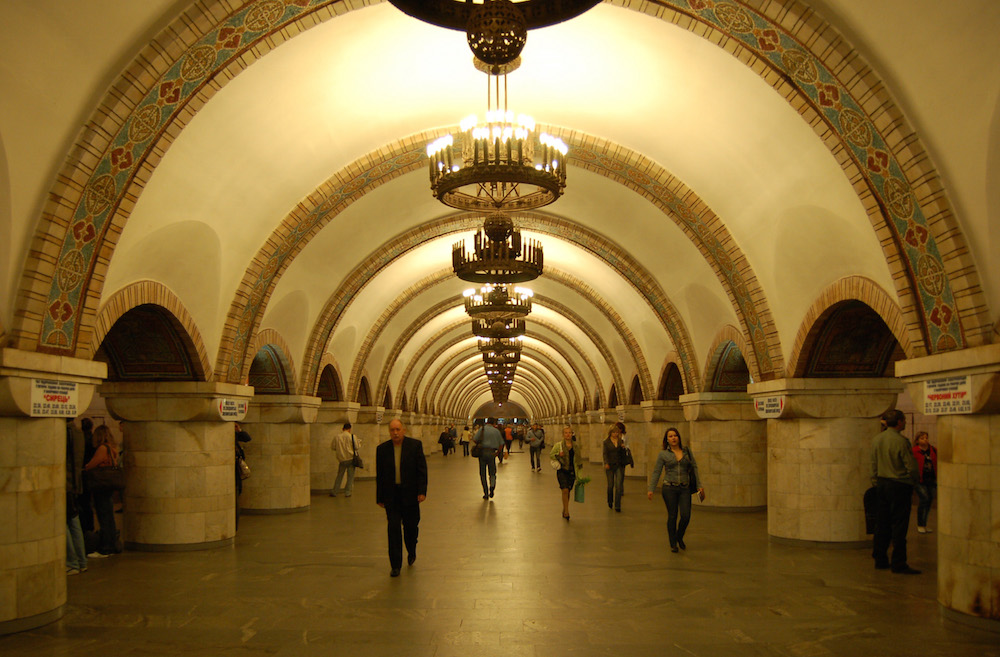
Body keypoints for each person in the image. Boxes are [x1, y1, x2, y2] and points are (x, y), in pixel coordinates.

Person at [870, 409, 920, 574]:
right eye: (904, 420)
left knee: (882, 523)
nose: (905, 422)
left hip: (882, 485)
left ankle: (880, 558)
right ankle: (898, 562)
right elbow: (911, 466)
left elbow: (873, 464)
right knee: (899, 525)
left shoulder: (877, 440)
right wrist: (914, 481)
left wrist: (876, 482)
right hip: (899, 486)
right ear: (899, 422)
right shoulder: (901, 441)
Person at [376, 419, 427, 577]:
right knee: (393, 529)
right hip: (392, 496)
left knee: (411, 528)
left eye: (398, 429)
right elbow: (381, 475)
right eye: (392, 430)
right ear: (389, 431)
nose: (395, 433)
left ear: (404, 430)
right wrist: (380, 497)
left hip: (410, 495)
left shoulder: (415, 446)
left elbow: (422, 471)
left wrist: (422, 491)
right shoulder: (382, 449)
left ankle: (411, 549)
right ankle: (395, 565)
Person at [647, 427, 705, 553]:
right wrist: (651, 488)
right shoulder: (663, 454)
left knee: (685, 516)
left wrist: (699, 485)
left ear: (679, 438)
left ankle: (679, 536)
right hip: (669, 488)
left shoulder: (686, 451)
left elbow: (694, 468)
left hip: (685, 488)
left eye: (675, 435)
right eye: (670, 436)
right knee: (672, 516)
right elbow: (657, 471)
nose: (673, 438)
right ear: (667, 440)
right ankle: (673, 542)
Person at [84, 425, 120, 557]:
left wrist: (86, 467)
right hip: (109, 485)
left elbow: (92, 464)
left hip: (101, 485)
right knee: (109, 516)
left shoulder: (102, 448)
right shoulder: (112, 448)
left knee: (103, 516)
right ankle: (112, 544)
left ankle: (106, 548)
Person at [66, 419, 88, 574]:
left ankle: (72, 562)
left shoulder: (65, 432)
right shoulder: (78, 433)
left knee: (64, 523)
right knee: (74, 522)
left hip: (65, 484)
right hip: (75, 483)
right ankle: (81, 561)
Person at [550, 426, 583, 520]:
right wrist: (558, 455)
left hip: (572, 471)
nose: (568, 434)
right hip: (562, 470)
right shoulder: (558, 445)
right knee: (564, 490)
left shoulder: (576, 446)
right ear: (563, 434)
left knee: (568, 491)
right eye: (566, 433)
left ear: (572, 434)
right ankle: (567, 511)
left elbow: (579, 460)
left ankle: (565, 507)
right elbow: (551, 455)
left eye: (570, 432)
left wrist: (580, 474)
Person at [912, 431, 937, 534]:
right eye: (922, 438)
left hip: (931, 479)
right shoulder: (914, 451)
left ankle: (925, 524)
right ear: (917, 440)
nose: (925, 440)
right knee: (924, 498)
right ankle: (920, 524)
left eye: (926, 438)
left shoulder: (933, 450)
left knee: (930, 500)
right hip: (920, 480)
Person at [472, 419, 504, 499]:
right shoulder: (496, 431)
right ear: (494, 423)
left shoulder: (482, 429)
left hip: (482, 452)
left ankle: (486, 493)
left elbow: (475, 439)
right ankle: (492, 486)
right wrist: (497, 453)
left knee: (482, 474)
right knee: (492, 472)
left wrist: (480, 443)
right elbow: (501, 444)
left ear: (487, 422)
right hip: (492, 452)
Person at [330, 422, 360, 497]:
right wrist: (359, 443)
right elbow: (356, 447)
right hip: (350, 459)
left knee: (339, 476)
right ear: (350, 429)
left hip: (342, 459)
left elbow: (333, 447)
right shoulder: (352, 436)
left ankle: (335, 491)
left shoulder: (337, 437)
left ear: (343, 429)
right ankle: (347, 492)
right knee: (350, 477)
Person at [603, 423, 626, 512]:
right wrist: (606, 463)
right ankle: (610, 500)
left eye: (617, 432)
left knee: (618, 485)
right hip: (610, 465)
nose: (615, 434)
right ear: (610, 433)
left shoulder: (620, 441)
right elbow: (605, 454)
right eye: (614, 432)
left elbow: (623, 453)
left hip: (619, 465)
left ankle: (617, 505)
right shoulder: (606, 442)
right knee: (610, 485)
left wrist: (623, 448)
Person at [235, 422, 252, 529]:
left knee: (238, 490)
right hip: (234, 470)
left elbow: (247, 438)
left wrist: (239, 430)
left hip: (237, 469)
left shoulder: (236, 435)